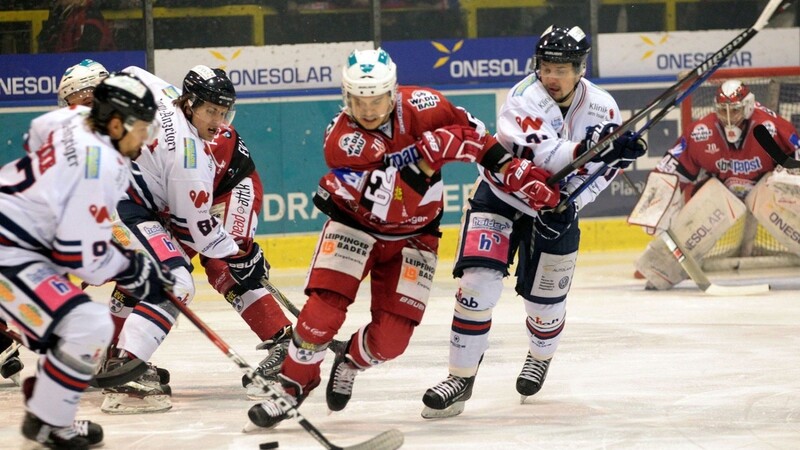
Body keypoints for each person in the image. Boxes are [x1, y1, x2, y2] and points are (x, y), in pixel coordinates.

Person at [246, 47, 568, 430]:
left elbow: (477, 139)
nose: (368, 110)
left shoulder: (425, 103)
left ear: (393, 92)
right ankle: (293, 384)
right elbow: (394, 197)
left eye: (377, 99)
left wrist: (517, 174)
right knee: (322, 313)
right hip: (356, 226)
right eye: (359, 101)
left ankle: (348, 360)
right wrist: (428, 157)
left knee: (391, 342)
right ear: (346, 98)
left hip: (416, 239)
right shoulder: (342, 140)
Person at [420, 25, 647, 419]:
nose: (552, 77)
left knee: (545, 304)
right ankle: (460, 377)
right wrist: (595, 148)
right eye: (546, 66)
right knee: (477, 284)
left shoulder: (604, 108)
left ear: (581, 69)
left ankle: (540, 356)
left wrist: (578, 197)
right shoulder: (523, 98)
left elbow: (598, 174)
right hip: (502, 195)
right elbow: (546, 158)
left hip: (559, 206)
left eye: (562, 68)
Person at [0, 72, 173, 448]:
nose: (146, 139)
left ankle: (48, 417)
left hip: (15, 244)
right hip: (10, 254)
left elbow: (37, 131)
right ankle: (50, 423)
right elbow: (80, 258)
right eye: (141, 128)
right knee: (88, 325)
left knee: (69, 326)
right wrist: (136, 270)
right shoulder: (102, 165)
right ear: (115, 123)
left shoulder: (71, 119)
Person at [97, 65, 276, 414]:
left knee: (161, 278)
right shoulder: (189, 158)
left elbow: (131, 71)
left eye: (224, 112)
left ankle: (120, 360)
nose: (219, 120)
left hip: (117, 198)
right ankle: (125, 373)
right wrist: (244, 256)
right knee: (176, 283)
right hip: (118, 208)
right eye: (211, 110)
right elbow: (197, 232)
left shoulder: (164, 95)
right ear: (191, 103)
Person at [632, 79, 800, 290]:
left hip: (763, 190)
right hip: (722, 194)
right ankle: (661, 268)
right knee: (711, 198)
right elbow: (671, 168)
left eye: (735, 111)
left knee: (772, 193)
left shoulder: (769, 128)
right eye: (723, 111)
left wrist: (790, 180)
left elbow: (796, 154)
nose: (729, 118)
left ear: (748, 107)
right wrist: (656, 203)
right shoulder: (702, 132)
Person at [38, 0, 116, 53]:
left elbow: (87, 57)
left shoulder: (90, 18)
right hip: (61, 67)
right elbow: (44, 42)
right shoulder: (60, 14)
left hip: (85, 70)